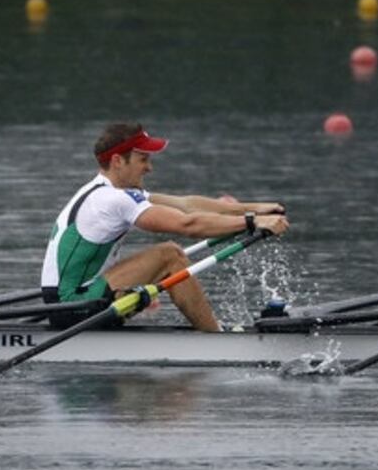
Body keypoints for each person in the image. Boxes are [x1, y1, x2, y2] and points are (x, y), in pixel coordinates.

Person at [41, 122, 289, 331]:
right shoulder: (111, 199)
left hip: (70, 300)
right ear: (118, 161)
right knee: (169, 255)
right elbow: (187, 224)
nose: (149, 167)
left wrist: (255, 208)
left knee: (169, 255)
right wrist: (251, 222)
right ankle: (215, 338)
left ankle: (213, 333)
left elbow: (187, 205)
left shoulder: (108, 192)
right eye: (143, 159)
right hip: (72, 306)